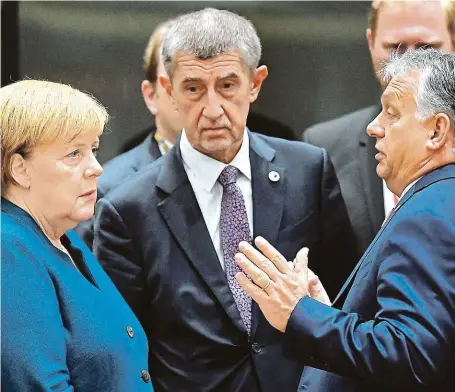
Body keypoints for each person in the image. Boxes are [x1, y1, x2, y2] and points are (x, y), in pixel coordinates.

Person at [93, 8, 357, 392]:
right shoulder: (127, 209)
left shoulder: (308, 170)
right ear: (168, 90)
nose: (213, 109)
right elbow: (121, 346)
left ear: (256, 83)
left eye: (227, 85)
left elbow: (346, 294)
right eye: (194, 88)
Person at [236, 49, 455, 392]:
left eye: (393, 114)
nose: (374, 127)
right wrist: (327, 311)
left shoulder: (427, 212)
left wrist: (299, 312)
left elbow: (409, 354)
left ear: (437, 131)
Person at [1, 80, 153, 392]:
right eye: (74, 153)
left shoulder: (66, 237)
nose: (96, 168)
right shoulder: (9, 249)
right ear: (20, 169)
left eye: (93, 150)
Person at [302, 0, 455, 255]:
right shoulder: (323, 149)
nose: (408, 62)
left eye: (427, 48)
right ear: (371, 43)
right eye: (395, 48)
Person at [75, 19, 182, 249]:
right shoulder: (106, 188)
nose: (195, 98)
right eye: (177, 83)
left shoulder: (263, 170)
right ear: (151, 94)